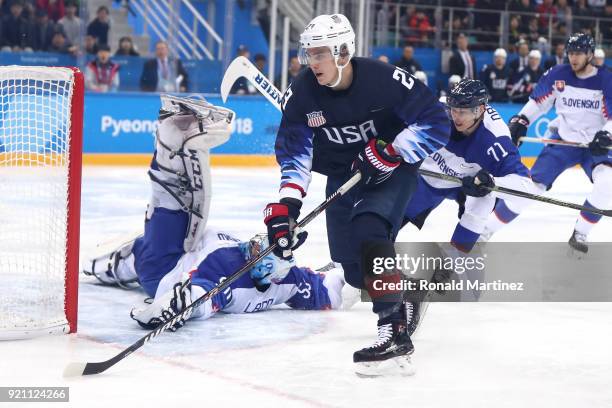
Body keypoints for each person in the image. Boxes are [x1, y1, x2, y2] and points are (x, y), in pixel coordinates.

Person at [265, 13, 450, 376]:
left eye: (319, 54)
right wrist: (287, 206)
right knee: (353, 271)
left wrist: (392, 151)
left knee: (369, 229)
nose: (310, 62)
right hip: (342, 176)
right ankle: (407, 291)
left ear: (344, 51)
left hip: (391, 171)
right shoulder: (302, 93)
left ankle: (393, 332)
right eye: (308, 54)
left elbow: (436, 120)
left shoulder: (384, 80)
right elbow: (295, 153)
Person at [83, 95, 356, 332]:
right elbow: (328, 291)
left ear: (262, 270)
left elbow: (204, 296)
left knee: (171, 203)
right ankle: (108, 265)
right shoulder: (288, 277)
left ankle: (173, 141)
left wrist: (178, 306)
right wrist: (360, 274)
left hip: (164, 266)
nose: (257, 244)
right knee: (138, 252)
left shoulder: (230, 267)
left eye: (260, 251)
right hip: (181, 253)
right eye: (263, 243)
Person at [497, 33, 612, 253]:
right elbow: (538, 104)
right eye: (570, 53)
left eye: (578, 53)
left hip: (594, 146)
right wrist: (521, 120)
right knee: (530, 188)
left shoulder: (606, 80)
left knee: (608, 184)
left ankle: (581, 232)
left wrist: (607, 134)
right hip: (564, 142)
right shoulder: (558, 74)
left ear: (590, 54)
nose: (573, 58)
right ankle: (484, 232)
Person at [403, 79, 535, 254]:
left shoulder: (495, 140)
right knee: (390, 216)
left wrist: (491, 183)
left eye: (462, 112)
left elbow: (526, 188)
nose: (455, 116)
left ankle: (453, 260)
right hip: (430, 175)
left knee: (485, 198)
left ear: (480, 110)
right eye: (453, 110)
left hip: (467, 183)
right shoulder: (437, 112)